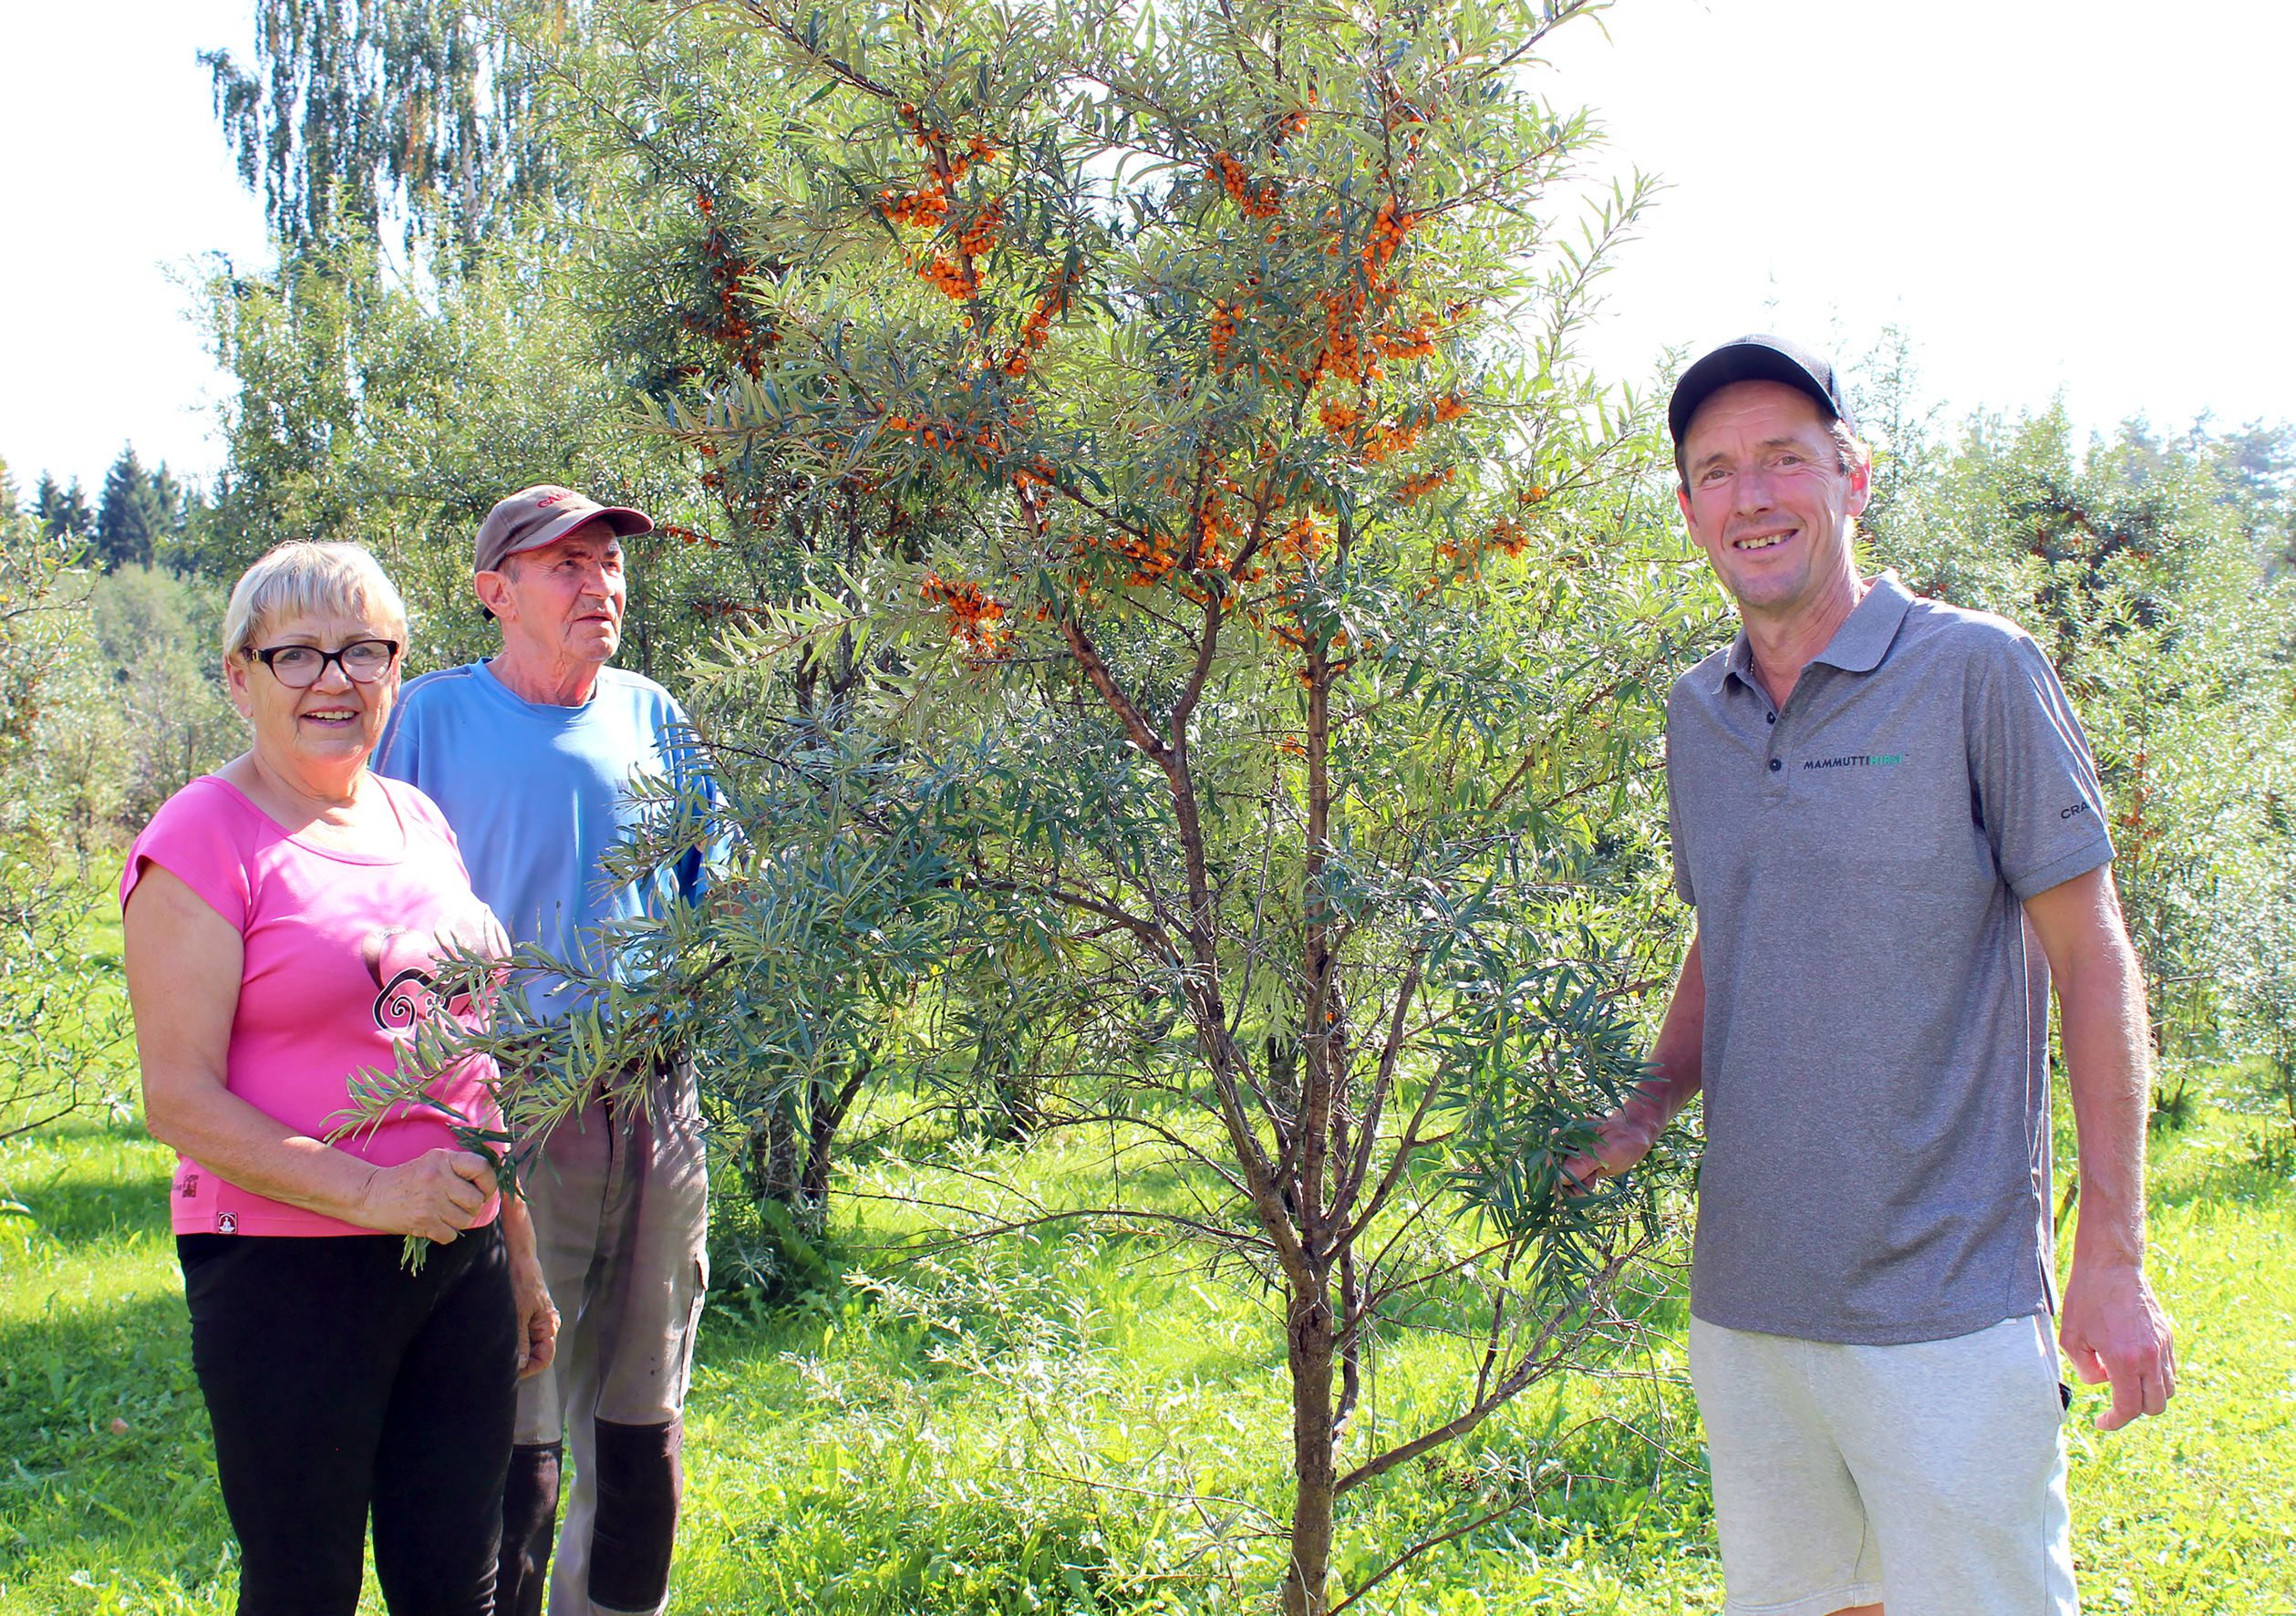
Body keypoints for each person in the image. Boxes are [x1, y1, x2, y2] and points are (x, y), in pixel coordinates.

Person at [1566, 336, 2176, 1616]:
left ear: (1852, 477)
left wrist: (2112, 1252)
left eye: (1785, 458)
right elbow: (1727, 927)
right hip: (1747, 1305)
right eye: (1716, 471)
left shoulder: (1974, 673)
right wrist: (1648, 1100)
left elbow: (2090, 952)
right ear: (1686, 510)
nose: (1752, 496)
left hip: (1946, 1306)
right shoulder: (1700, 714)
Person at [120, 540, 556, 1616]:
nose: (336, 680)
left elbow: (465, 1055)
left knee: (459, 1582)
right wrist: (376, 1193)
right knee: (304, 1585)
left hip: (456, 1262)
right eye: (298, 654)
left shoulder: (419, 822)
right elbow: (176, 1095)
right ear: (239, 675)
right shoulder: (200, 839)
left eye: (366, 650)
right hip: (283, 1273)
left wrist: (517, 1242)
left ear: (398, 669)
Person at [375, 484, 718, 1616]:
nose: (600, 583)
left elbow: (719, 882)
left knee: (642, 1411)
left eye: (609, 564)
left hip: (656, 1099)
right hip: (507, 1104)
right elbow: (378, 907)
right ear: (494, 591)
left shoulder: (651, 713)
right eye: (565, 563)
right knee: (514, 1417)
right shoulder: (428, 718)